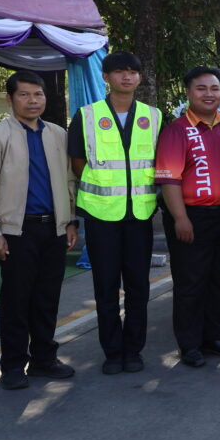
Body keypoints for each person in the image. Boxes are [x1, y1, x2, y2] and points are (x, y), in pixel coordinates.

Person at [0, 71, 78, 390]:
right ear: (10, 99)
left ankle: (44, 359)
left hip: (54, 229)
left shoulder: (58, 133)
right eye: (24, 95)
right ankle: (13, 366)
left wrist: (70, 220)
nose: (33, 101)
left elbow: (69, 181)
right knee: (17, 301)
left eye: (38, 95)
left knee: (47, 298)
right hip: (17, 232)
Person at [69, 52, 160, 375]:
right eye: (119, 71)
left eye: (133, 71)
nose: (127, 77)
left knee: (138, 287)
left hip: (140, 215)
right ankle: (112, 352)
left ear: (140, 78)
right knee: (105, 288)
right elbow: (77, 162)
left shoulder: (154, 116)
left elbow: (160, 165)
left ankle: (133, 351)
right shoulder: (87, 115)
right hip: (101, 215)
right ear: (105, 77)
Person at [155, 67, 220, 368]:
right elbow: (169, 180)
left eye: (214, 88)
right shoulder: (176, 130)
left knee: (219, 280)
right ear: (188, 92)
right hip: (191, 216)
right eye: (201, 88)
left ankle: (215, 338)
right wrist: (180, 218)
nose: (209, 94)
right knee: (190, 282)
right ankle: (190, 344)